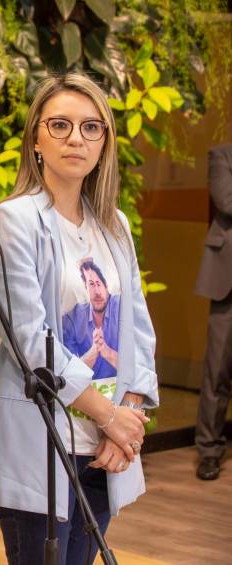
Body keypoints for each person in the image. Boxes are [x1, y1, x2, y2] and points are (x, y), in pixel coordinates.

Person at [0, 73, 158, 565]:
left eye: (91, 127)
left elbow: (137, 329)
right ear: (36, 140)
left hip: (107, 442)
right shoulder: (12, 221)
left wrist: (130, 415)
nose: (77, 138)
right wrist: (109, 416)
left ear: (104, 143)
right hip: (43, 436)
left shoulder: (115, 225)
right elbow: (29, 339)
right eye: (61, 125)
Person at [194, 142, 232, 481]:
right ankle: (209, 450)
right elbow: (226, 201)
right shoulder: (222, 154)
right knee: (217, 370)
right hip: (227, 283)